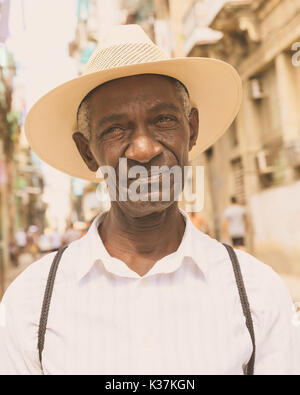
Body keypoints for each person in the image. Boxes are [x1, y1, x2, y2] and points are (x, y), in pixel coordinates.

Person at [0, 25, 299, 375]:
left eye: (163, 120)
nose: (144, 149)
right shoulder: (31, 304)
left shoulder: (256, 293)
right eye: (115, 129)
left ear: (192, 129)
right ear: (87, 152)